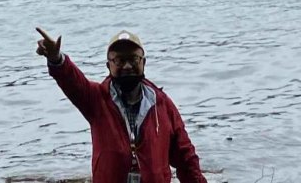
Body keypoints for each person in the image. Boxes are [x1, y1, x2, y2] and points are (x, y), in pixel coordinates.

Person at [35, 27, 207, 183]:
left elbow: (186, 157)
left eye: (133, 59)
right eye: (119, 60)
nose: (127, 66)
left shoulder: (162, 104)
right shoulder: (96, 99)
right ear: (108, 65)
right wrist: (56, 58)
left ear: (143, 62)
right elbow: (72, 81)